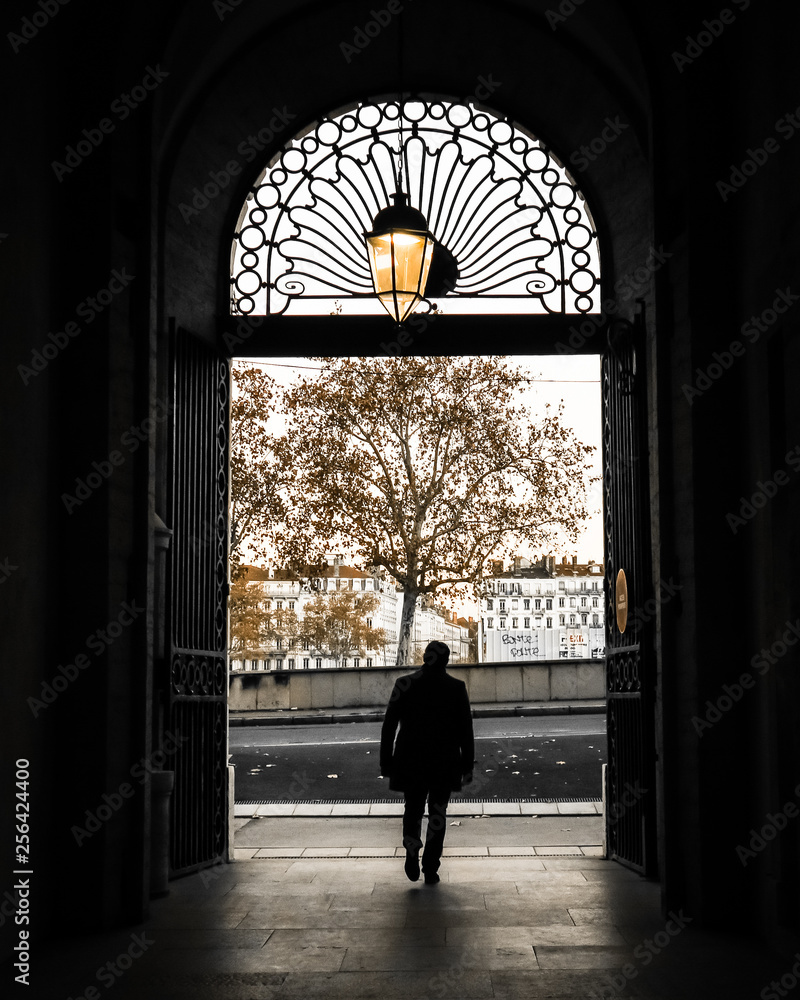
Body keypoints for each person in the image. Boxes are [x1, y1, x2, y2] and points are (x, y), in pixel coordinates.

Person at [379, 640, 475, 884]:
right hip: (444, 761)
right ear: (446, 660)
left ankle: (412, 847)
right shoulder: (456, 687)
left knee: (412, 810)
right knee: (437, 814)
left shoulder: (405, 683)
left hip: (410, 759)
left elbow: (389, 725)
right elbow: (466, 729)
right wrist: (467, 765)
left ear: (424, 657)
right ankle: (431, 866)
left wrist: (386, 762)